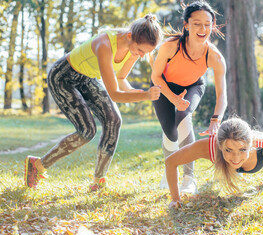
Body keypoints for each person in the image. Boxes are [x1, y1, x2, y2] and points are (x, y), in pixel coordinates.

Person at [24, 14, 163, 191]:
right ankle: (37, 166)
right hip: (63, 77)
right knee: (87, 130)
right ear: (130, 36)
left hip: (86, 76)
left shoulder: (134, 48)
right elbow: (114, 94)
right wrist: (145, 96)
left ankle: (99, 182)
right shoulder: (104, 44)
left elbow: (121, 78)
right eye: (141, 50)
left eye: (146, 52)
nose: (142, 56)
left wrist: (133, 92)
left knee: (114, 119)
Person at [151, 1, 227, 194]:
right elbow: (155, 76)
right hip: (163, 87)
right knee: (170, 134)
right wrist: (173, 98)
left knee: (184, 117)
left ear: (213, 25)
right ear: (186, 24)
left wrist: (215, 121)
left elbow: (222, 96)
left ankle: (189, 177)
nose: (203, 29)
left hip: (193, 86)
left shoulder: (215, 57)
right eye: (197, 24)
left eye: (207, 24)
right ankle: (171, 171)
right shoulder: (170, 47)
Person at [165, 117, 263, 208]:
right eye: (228, 150)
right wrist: (175, 199)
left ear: (251, 144)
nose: (235, 158)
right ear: (219, 146)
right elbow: (171, 162)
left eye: (242, 150)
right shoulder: (207, 147)